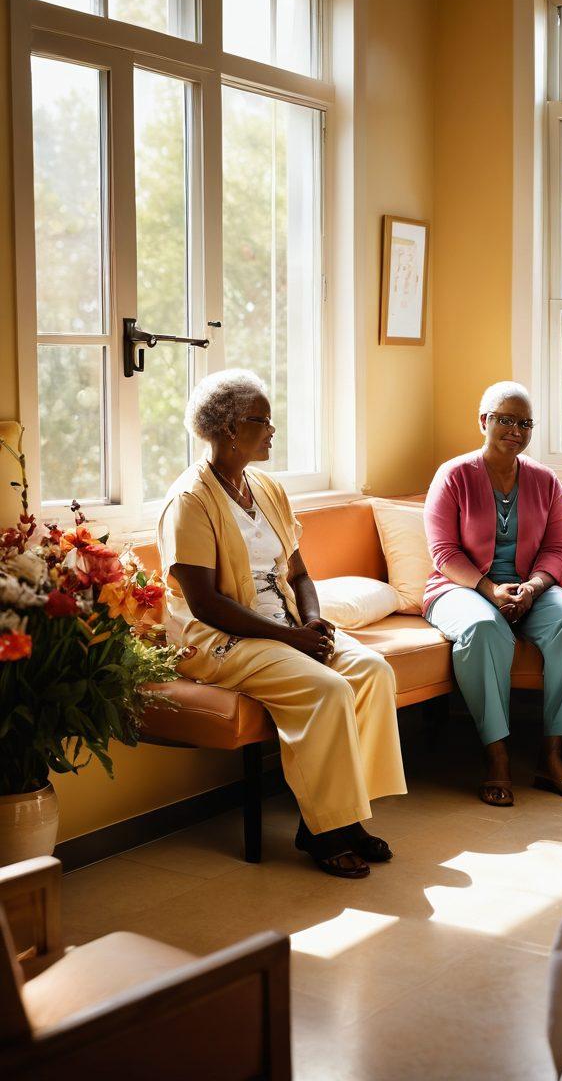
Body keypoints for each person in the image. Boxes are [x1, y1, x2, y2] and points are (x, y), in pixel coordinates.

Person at [158, 370, 406, 878]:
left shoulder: (266, 488)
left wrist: (313, 620)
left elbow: (299, 571)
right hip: (223, 640)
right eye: (262, 420)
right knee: (327, 689)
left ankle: (349, 816)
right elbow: (204, 604)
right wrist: (290, 637)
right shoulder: (190, 502)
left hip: (287, 624)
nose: (273, 430)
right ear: (228, 429)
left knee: (373, 671)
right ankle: (323, 829)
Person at [423, 381, 562, 807]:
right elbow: (443, 552)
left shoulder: (545, 480)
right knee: (485, 629)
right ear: (483, 421)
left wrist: (535, 587)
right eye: (505, 419)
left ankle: (552, 757)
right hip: (461, 587)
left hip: (531, 587)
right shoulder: (453, 475)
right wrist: (489, 588)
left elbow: (558, 549)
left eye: (525, 423)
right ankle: (497, 757)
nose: (516, 430)